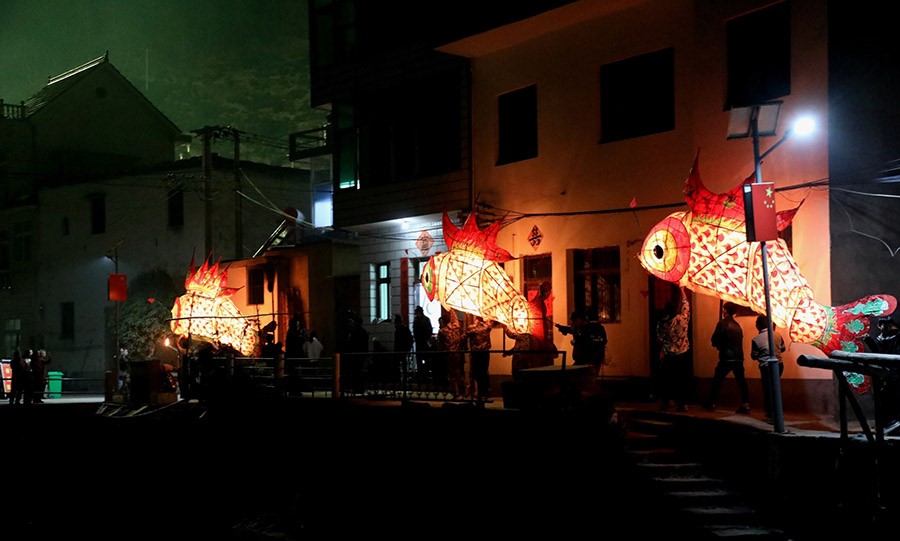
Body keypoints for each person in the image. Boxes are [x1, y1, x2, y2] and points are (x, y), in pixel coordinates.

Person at [705, 301, 750, 414]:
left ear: (725, 310)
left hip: (726, 357)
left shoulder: (722, 323)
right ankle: (746, 404)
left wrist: (717, 345)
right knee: (741, 381)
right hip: (738, 357)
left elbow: (715, 339)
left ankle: (711, 402)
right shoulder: (737, 325)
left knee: (717, 380)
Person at [657, 287, 691, 412]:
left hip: (669, 355)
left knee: (668, 379)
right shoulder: (682, 319)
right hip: (682, 354)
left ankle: (667, 401)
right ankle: (683, 404)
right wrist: (682, 290)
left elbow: (659, 338)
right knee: (682, 379)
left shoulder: (662, 324)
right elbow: (686, 304)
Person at [864, 316, 900, 432]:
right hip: (882, 373)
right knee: (882, 399)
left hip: (895, 373)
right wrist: (868, 340)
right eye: (883, 324)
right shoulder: (880, 338)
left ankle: (895, 423)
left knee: (894, 398)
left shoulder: (897, 338)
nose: (885, 326)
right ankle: (884, 423)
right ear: (879, 326)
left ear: (892, 325)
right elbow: (877, 352)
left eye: (887, 324)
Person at [750, 315, 787, 422]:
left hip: (766, 367)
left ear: (759, 325)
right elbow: (783, 349)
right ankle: (777, 412)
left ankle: (771, 414)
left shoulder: (756, 340)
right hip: (779, 365)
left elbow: (754, 356)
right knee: (775, 388)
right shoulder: (778, 335)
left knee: (768, 390)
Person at [465, 315, 497, 403]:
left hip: (475, 353)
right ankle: (484, 393)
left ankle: (477, 392)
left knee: (476, 372)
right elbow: (494, 321)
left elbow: (464, 336)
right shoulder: (486, 327)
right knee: (484, 372)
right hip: (485, 352)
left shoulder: (472, 328)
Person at [435, 308, 463, 397]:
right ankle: (462, 389)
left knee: (451, 373)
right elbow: (454, 316)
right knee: (458, 371)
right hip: (458, 353)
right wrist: (450, 308)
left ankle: (456, 391)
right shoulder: (456, 326)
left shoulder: (442, 332)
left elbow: (440, 345)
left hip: (449, 354)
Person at [412, 306, 434, 379]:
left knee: (422, 359)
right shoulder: (425, 319)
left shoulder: (418, 320)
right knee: (423, 359)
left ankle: (423, 374)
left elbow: (427, 331)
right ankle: (423, 374)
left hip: (422, 342)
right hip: (422, 342)